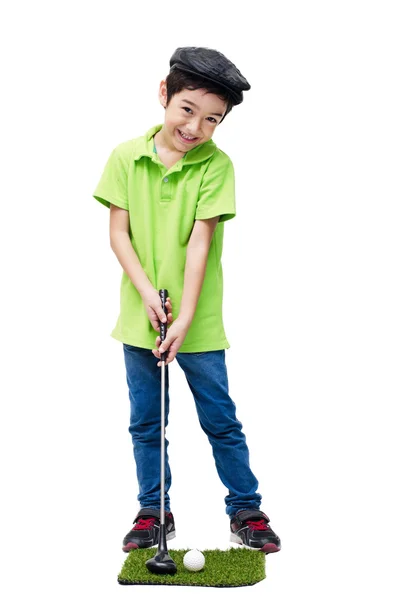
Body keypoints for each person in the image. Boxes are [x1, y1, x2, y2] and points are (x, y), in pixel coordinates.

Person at [93, 47, 281, 554]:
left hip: (195, 323)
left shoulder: (216, 167)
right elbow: (119, 234)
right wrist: (144, 295)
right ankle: (154, 511)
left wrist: (186, 316)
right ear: (164, 94)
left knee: (220, 418)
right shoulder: (124, 156)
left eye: (213, 119)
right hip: (141, 318)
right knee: (146, 422)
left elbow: (201, 243)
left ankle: (246, 509)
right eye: (188, 109)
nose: (196, 126)